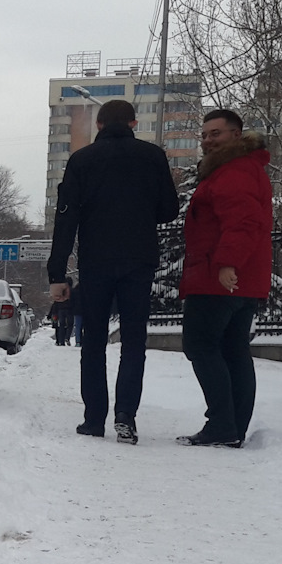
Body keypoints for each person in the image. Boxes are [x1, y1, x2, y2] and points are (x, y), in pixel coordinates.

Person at [48, 98, 181, 445]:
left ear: (99, 125)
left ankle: (94, 419)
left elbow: (66, 219)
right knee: (134, 340)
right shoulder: (152, 157)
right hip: (140, 260)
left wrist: (57, 274)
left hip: (97, 261)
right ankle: (126, 416)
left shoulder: (82, 160)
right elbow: (169, 209)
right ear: (134, 124)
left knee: (92, 340)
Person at [177, 108, 272, 448]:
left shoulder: (234, 171)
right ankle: (233, 427)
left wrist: (227, 264)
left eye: (215, 134)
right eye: (204, 135)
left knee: (201, 345)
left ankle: (222, 424)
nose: (207, 140)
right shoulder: (239, 169)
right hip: (239, 278)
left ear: (236, 134)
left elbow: (243, 222)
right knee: (233, 350)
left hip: (219, 277)